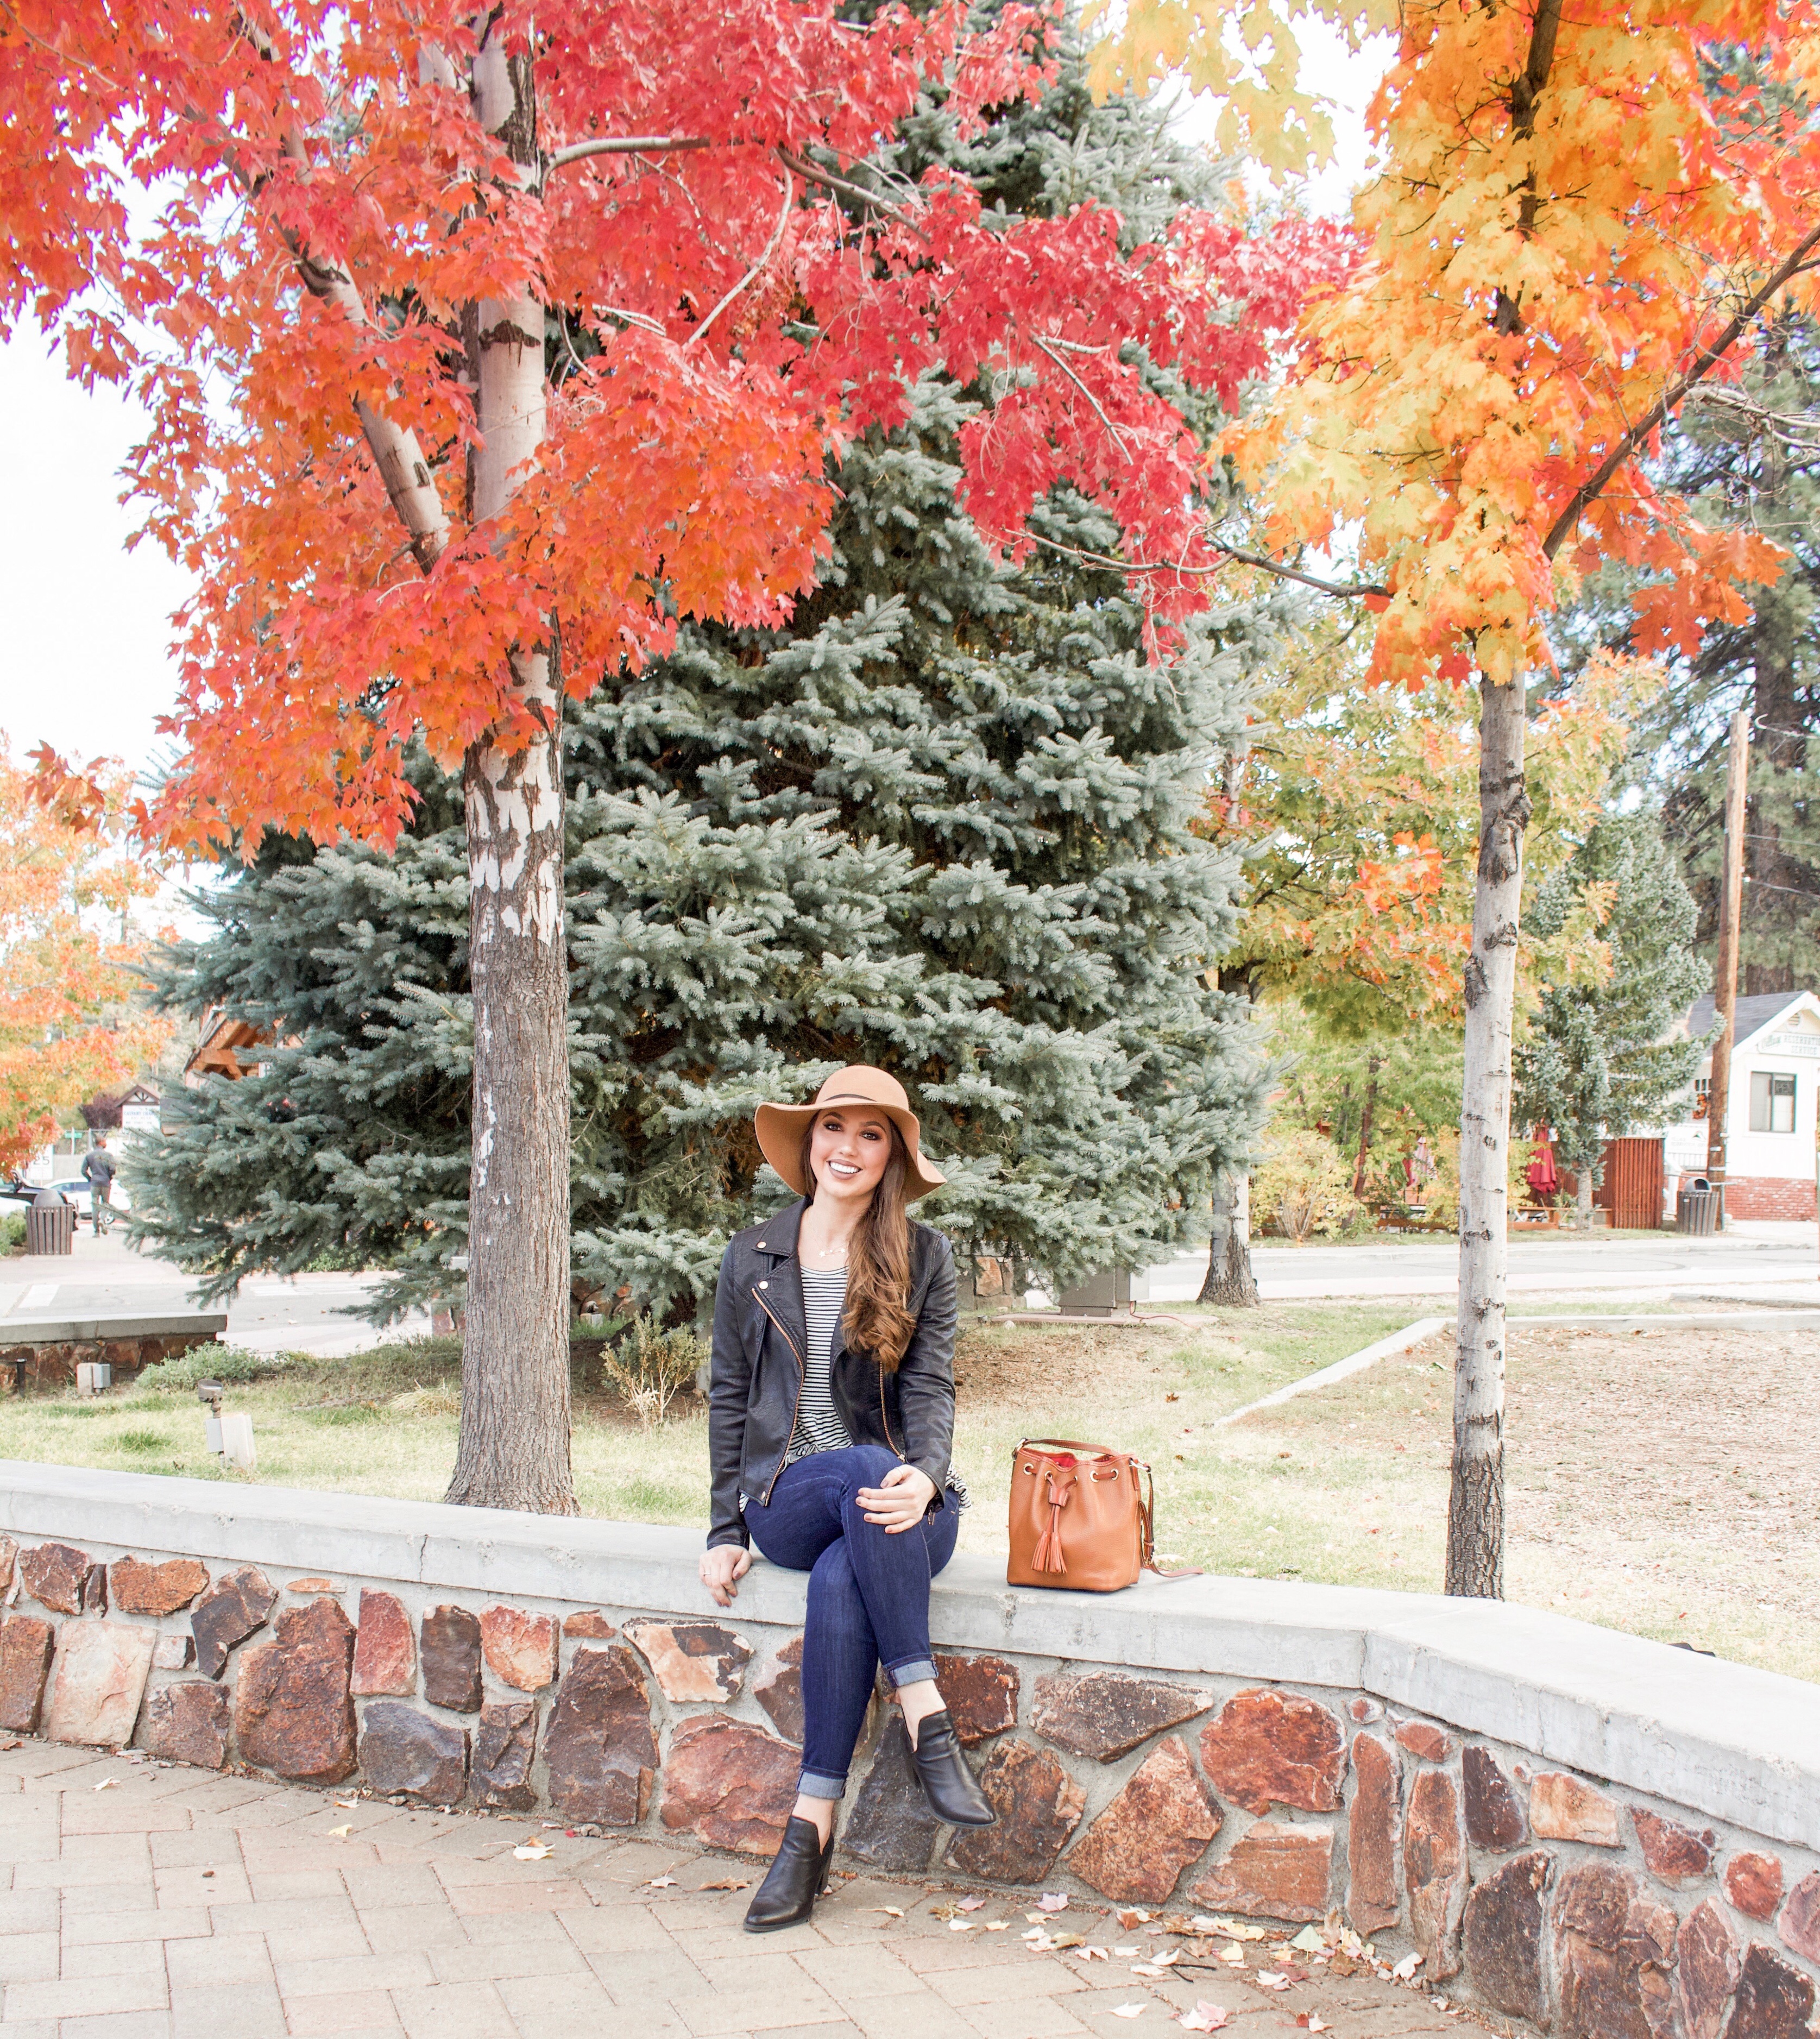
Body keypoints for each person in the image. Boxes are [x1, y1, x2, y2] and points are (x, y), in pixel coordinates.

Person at [701, 1065, 993, 1934]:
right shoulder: (752, 1255)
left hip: (902, 1506)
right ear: (809, 1141)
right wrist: (723, 1525)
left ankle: (806, 1832)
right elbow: (726, 1395)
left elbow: (933, 1384)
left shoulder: (924, 1254)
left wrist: (929, 1475)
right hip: (788, 1492)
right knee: (860, 1469)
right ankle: (925, 1714)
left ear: (892, 1154)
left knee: (842, 1575)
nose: (849, 1148)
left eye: (872, 1134)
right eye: (836, 1128)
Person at [80, 1137, 116, 1234]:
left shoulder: (89, 1156)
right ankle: (103, 1219)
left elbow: (83, 1171)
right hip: (105, 1183)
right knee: (105, 1204)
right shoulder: (109, 1156)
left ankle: (96, 1231)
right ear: (101, 1142)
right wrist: (109, 1177)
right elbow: (113, 1169)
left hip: (95, 1183)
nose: (106, 1144)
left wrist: (90, 1179)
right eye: (105, 1142)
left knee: (95, 1206)